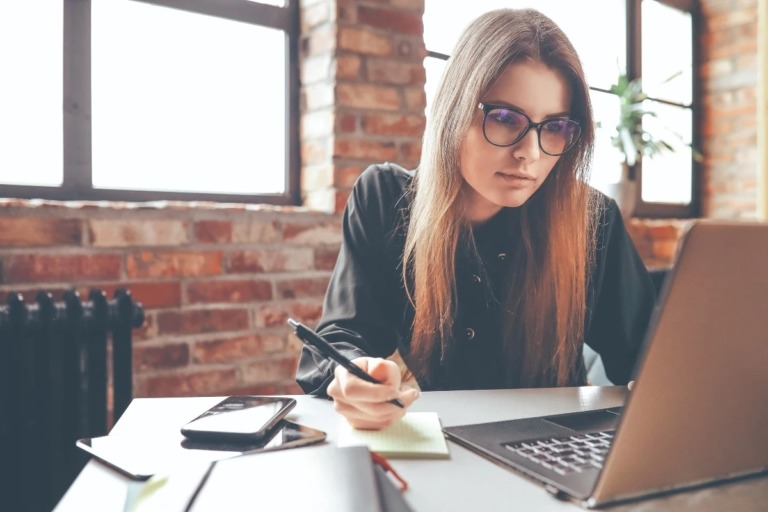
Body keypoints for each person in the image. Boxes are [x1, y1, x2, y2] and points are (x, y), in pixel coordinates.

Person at [296, 8, 656, 430]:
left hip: (560, 451)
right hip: (448, 447)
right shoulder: (386, 200)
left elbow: (650, 358)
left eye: (555, 126)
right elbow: (339, 338)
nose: (531, 154)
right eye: (505, 119)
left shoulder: (591, 220)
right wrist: (356, 375)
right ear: (455, 110)